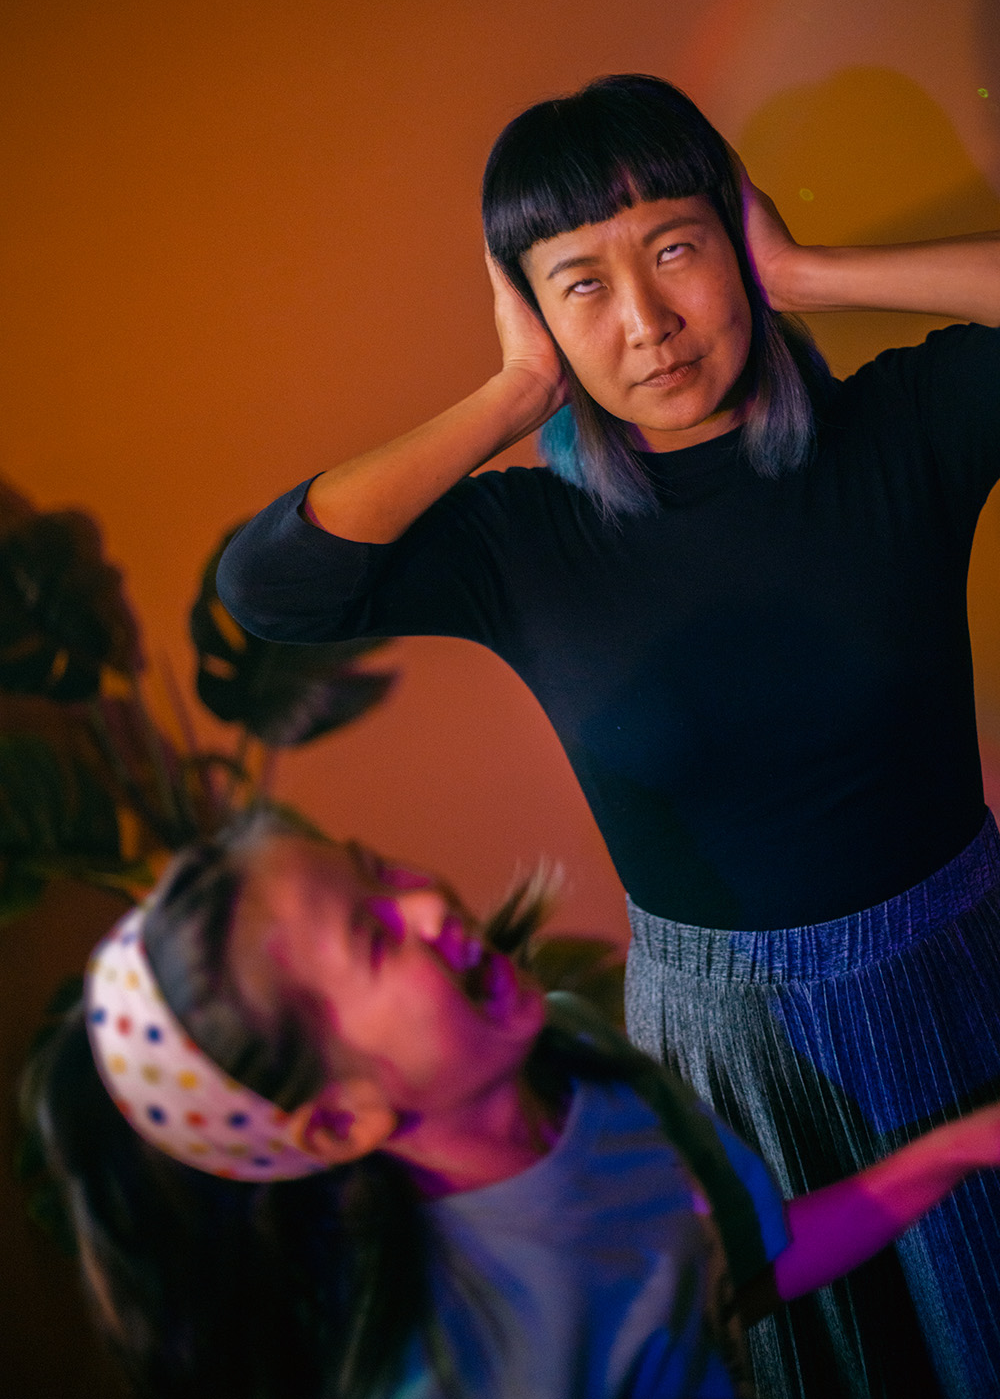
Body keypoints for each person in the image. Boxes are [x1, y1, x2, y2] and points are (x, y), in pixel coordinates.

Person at [214, 74, 1000, 1397]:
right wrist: (515, 392)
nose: (646, 323)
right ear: (534, 313)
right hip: (733, 1054)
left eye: (676, 250)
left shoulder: (902, 430)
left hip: (963, 973)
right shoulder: (524, 541)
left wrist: (813, 275)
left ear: (739, 243)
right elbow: (269, 587)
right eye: (581, 284)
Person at [29, 811, 1000, 1399]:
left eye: (377, 868)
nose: (427, 902)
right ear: (340, 1122)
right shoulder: (434, 1361)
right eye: (374, 937)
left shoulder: (581, 1057)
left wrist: (956, 1150)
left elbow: (741, 1268)